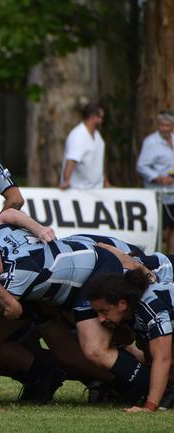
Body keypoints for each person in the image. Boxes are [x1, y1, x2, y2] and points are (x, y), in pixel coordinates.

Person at [84, 269, 174, 412]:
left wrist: (149, 407)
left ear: (122, 304)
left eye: (104, 311)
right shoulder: (132, 309)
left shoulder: (150, 305)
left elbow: (163, 358)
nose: (100, 319)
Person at [136, 110, 174, 253]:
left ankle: (171, 257)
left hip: (172, 193)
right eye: (162, 125)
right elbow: (141, 166)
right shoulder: (151, 142)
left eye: (167, 125)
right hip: (158, 194)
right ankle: (155, 255)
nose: (164, 128)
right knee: (158, 228)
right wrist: (158, 177)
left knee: (173, 227)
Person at [59, 103, 109, 190]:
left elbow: (97, 161)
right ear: (93, 117)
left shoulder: (97, 136)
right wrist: (66, 181)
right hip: (80, 190)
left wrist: (105, 181)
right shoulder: (78, 136)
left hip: (97, 189)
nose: (102, 121)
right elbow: (71, 160)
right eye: (100, 117)